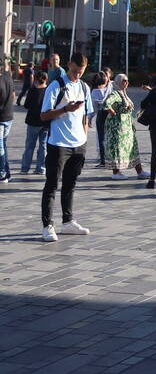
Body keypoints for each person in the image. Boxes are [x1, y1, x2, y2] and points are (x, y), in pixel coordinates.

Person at [38, 52, 93, 242]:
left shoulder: (85, 87)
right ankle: (48, 226)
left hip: (78, 144)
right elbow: (43, 115)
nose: (78, 75)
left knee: (71, 184)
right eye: (76, 71)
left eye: (81, 72)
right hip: (58, 144)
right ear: (69, 65)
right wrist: (65, 109)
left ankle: (68, 221)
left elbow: (87, 115)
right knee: (52, 185)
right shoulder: (56, 85)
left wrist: (84, 137)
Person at [103, 74, 148, 180]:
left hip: (127, 128)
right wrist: (112, 111)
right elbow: (106, 104)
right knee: (118, 149)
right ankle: (116, 172)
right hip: (117, 128)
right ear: (118, 82)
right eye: (124, 80)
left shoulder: (123, 94)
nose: (126, 82)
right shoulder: (115, 93)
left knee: (132, 148)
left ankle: (140, 171)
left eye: (127, 80)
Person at [20, 70, 49, 175]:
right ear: (46, 79)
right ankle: (41, 168)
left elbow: (26, 105)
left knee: (29, 146)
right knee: (43, 145)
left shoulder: (32, 90)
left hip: (32, 121)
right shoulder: (48, 90)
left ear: (36, 79)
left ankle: (25, 168)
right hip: (45, 122)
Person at [90, 71, 112, 168]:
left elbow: (93, 108)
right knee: (110, 137)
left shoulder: (94, 92)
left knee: (101, 138)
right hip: (110, 114)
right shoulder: (109, 89)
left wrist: (90, 118)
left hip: (100, 115)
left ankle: (103, 160)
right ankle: (110, 158)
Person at [0, 60, 13, 183]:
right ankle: (7, 173)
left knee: (0, 147)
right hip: (9, 117)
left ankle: (3, 173)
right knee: (3, 145)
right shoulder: (8, 79)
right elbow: (13, 95)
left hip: (2, 119)